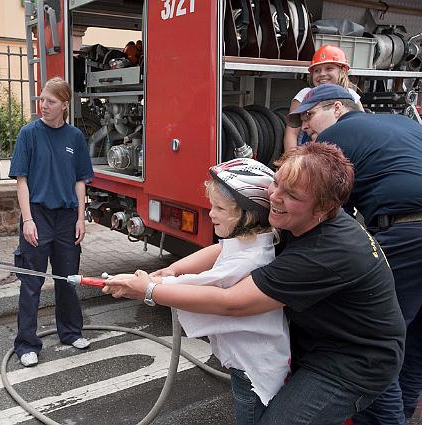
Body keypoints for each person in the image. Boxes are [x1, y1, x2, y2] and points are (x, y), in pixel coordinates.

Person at [104, 143, 406, 425]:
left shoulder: (326, 252)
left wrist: (148, 290)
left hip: (352, 360)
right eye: (278, 183)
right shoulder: (297, 220)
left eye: (292, 195)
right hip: (323, 338)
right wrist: (170, 271)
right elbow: (229, 247)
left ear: (322, 209)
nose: (274, 197)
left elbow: (233, 303)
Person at [289, 83, 422, 424]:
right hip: (410, 227)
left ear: (338, 108)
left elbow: (318, 210)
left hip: (409, 232)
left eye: (310, 114)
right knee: (414, 341)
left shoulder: (336, 138)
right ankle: (400, 416)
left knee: (373, 344)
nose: (305, 126)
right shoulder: (403, 122)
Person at [161, 157, 290, 424]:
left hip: (253, 371)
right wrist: (173, 269)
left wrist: (147, 287)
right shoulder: (253, 243)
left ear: (249, 214)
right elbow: (220, 248)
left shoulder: (249, 260)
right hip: (257, 362)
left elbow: (200, 290)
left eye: (219, 207)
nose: (210, 213)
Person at [8, 77, 94, 367]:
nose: (43, 105)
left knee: (67, 280)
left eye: (50, 101)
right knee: (31, 283)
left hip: (67, 217)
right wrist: (28, 221)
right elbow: (21, 182)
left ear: (64, 105)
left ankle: (70, 332)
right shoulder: (29, 134)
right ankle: (26, 344)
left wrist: (81, 218)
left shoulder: (74, 138)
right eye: (41, 99)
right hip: (38, 215)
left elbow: (81, 181)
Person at [283, 45, 363, 151]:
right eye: (317, 70)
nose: (322, 74)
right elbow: (292, 133)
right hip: (308, 153)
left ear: (343, 71)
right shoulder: (305, 95)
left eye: (329, 68)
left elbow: (361, 126)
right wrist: (292, 161)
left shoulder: (352, 95)